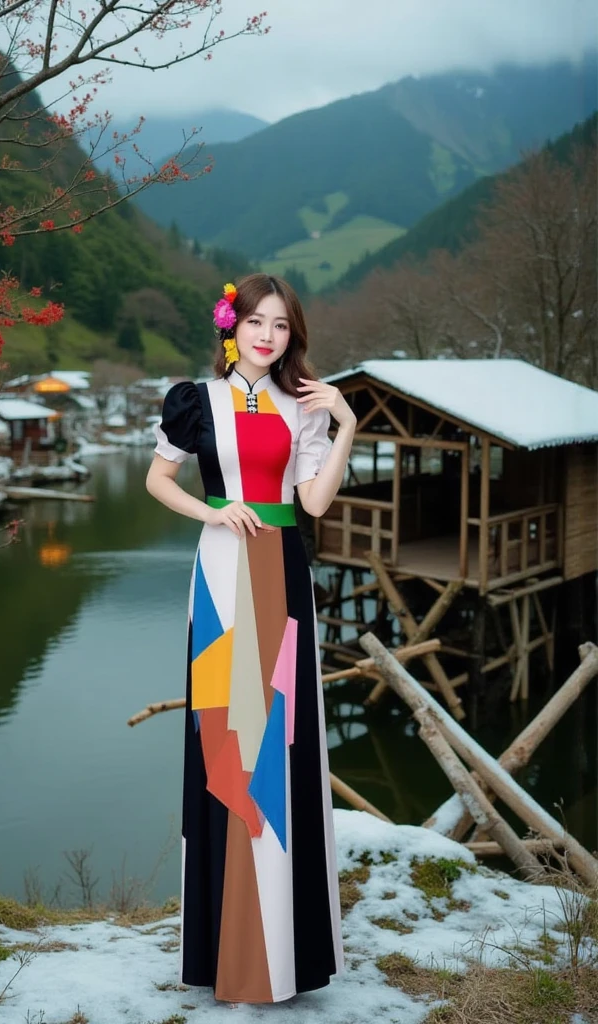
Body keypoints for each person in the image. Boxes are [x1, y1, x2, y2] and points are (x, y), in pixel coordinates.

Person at [145, 273, 356, 1004]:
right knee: (225, 740)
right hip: (222, 578)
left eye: (282, 325)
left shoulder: (305, 408)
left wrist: (346, 425)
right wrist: (214, 511)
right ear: (231, 326)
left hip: (284, 577)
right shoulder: (195, 401)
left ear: (293, 335)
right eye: (256, 322)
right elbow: (157, 480)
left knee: (283, 743)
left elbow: (314, 501)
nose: (268, 335)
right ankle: (227, 951)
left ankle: (282, 954)